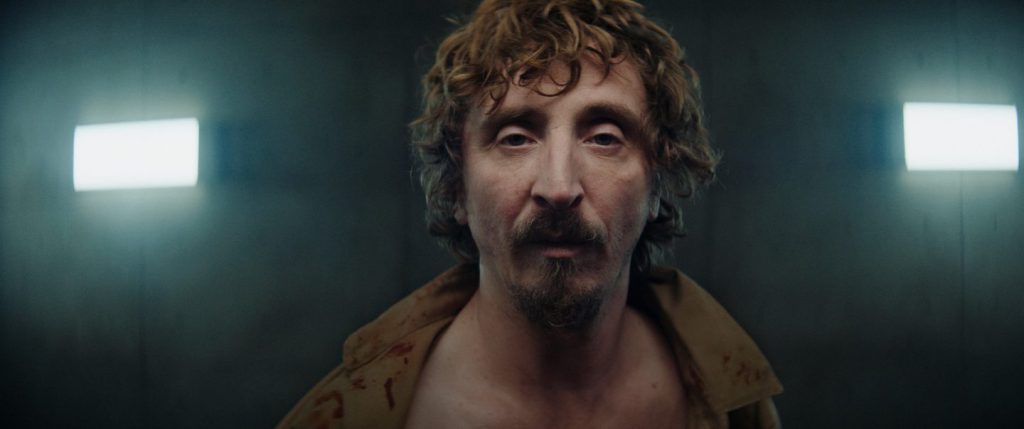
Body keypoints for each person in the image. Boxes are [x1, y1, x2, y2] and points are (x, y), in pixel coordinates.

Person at [277, 0, 782, 427]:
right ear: (458, 187)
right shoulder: (352, 415)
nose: (558, 188)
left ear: (657, 182)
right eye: (515, 138)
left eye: (604, 138)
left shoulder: (735, 403)